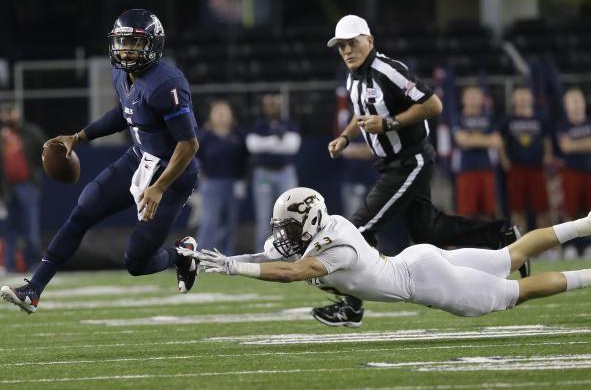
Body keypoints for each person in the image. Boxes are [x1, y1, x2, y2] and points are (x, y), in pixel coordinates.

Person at [321, 15, 526, 327]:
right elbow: (362, 112)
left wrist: (389, 123)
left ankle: (352, 307)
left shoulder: (387, 70)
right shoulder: (353, 77)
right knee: (428, 231)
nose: (348, 50)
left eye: (353, 42)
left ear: (370, 41)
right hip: (391, 164)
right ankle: (501, 235)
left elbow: (433, 105)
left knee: (359, 231)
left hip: (409, 161)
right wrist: (346, 136)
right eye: (342, 46)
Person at [0, 9, 199, 314]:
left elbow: (188, 144)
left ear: (153, 45)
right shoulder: (121, 72)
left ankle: (182, 256)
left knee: (136, 262)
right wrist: (78, 137)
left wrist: (159, 187)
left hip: (173, 174)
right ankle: (33, 289)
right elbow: (126, 113)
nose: (126, 50)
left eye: (134, 43)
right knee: (84, 208)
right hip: (139, 158)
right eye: (121, 42)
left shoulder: (166, 83)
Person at [180, 187, 591, 321]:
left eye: (288, 227)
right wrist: (221, 262)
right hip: (417, 261)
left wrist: (232, 268)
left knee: (512, 293)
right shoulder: (316, 231)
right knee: (509, 255)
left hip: (425, 280)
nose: (283, 236)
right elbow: (269, 256)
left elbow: (291, 272)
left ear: (309, 221)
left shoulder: (336, 243)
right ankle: (585, 224)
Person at [0, 102, 46, 273]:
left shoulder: (30, 132)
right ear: (1, 116)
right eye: (6, 113)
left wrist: (38, 177)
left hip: (27, 186)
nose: (10, 116)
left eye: (12, 112)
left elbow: (45, 150)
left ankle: (34, 264)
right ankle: (10, 265)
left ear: (18, 113)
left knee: (31, 228)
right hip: (5, 189)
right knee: (8, 230)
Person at [247, 93, 301, 250]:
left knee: (289, 215)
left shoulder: (289, 123)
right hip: (264, 173)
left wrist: (266, 144)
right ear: (264, 106)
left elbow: (292, 146)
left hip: (286, 173)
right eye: (270, 104)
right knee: (264, 217)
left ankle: (290, 254)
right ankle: (262, 255)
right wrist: (276, 141)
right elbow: (252, 146)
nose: (273, 107)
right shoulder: (258, 124)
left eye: (276, 104)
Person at [196, 100, 248, 255]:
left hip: (234, 183)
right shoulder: (204, 136)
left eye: (224, 111)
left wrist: (243, 181)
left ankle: (226, 258)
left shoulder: (239, 136)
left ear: (231, 116)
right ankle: (202, 256)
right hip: (211, 183)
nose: (221, 115)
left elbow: (247, 160)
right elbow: (193, 158)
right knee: (209, 221)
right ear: (211, 116)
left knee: (230, 223)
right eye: (217, 111)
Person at [499, 86, 553, 232]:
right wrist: (504, 160)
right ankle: (520, 242)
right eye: (519, 96)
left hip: (537, 168)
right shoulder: (508, 119)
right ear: (514, 99)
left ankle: (544, 245)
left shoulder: (540, 118)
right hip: (516, 168)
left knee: (542, 207)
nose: (522, 99)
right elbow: (500, 142)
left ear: (531, 98)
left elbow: (546, 140)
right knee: (517, 208)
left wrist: (548, 157)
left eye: (525, 95)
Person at [451, 86, 503, 218]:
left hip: (487, 168)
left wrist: (471, 140)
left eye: (477, 95)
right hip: (466, 169)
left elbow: (497, 141)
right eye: (470, 95)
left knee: (488, 210)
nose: (474, 99)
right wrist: (486, 140)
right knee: (466, 211)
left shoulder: (489, 117)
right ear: (463, 99)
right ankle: (467, 239)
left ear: (482, 99)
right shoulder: (458, 117)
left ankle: (487, 239)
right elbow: (462, 140)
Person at [557, 88, 591, 259]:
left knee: (588, 212)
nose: (577, 105)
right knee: (569, 211)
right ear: (566, 106)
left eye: (579, 100)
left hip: (589, 172)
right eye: (572, 101)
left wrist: (575, 144)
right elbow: (566, 147)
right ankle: (569, 246)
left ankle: (587, 246)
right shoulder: (563, 125)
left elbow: (571, 146)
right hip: (571, 172)